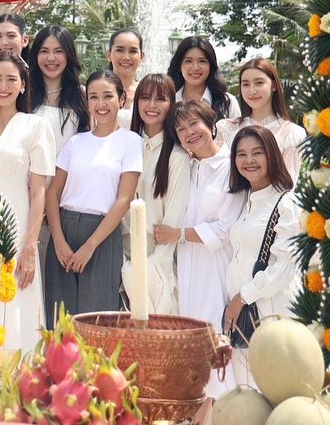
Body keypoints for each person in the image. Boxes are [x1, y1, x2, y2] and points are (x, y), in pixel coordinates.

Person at [153, 99, 240, 397]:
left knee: (216, 344)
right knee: (191, 344)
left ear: (210, 124)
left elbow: (224, 229)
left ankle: (219, 408)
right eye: (181, 129)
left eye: (194, 124)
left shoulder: (232, 167)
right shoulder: (187, 167)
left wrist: (175, 234)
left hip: (215, 271)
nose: (189, 132)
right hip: (187, 267)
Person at [44, 71, 141, 327]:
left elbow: (124, 199)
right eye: (94, 97)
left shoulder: (130, 142)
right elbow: (52, 193)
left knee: (96, 322)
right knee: (60, 321)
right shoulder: (76, 141)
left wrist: (90, 246)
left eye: (108, 96)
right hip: (64, 230)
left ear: (121, 99)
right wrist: (58, 241)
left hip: (102, 234)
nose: (101, 104)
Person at [0, 53, 54, 351]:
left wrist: (30, 245)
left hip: (17, 223)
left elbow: (39, 191)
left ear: (23, 85)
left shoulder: (34, 126)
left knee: (17, 298)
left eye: (11, 79)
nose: (3, 86)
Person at [222, 126, 300, 387]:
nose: (249, 160)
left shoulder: (286, 203)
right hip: (245, 319)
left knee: (274, 391)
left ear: (272, 155)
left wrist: (242, 297)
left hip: (271, 312)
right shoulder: (247, 200)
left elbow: (285, 267)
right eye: (241, 154)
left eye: (257, 153)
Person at [121, 74, 190, 315]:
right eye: (146, 98)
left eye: (160, 99)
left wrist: (151, 268)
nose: (152, 105)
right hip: (119, 253)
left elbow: (174, 217)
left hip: (155, 259)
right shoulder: (127, 146)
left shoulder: (178, 158)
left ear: (171, 103)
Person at [28, 26, 90, 279]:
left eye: (58, 51)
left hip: (68, 203)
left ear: (69, 56)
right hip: (30, 198)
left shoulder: (83, 97)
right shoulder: (25, 95)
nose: (51, 58)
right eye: (44, 51)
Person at [216, 58, 307, 181]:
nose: (252, 91)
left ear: (274, 85)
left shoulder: (292, 133)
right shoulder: (225, 128)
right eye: (246, 84)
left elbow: (288, 186)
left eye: (259, 83)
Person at [167, 36, 240, 124]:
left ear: (211, 65)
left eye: (202, 61)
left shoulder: (227, 102)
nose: (195, 67)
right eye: (188, 61)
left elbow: (239, 136)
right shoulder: (169, 101)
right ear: (179, 65)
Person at [105, 29, 144, 129]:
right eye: (120, 50)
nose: (126, 57)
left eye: (133, 51)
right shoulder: (95, 91)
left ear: (142, 56)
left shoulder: (147, 93)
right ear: (108, 55)